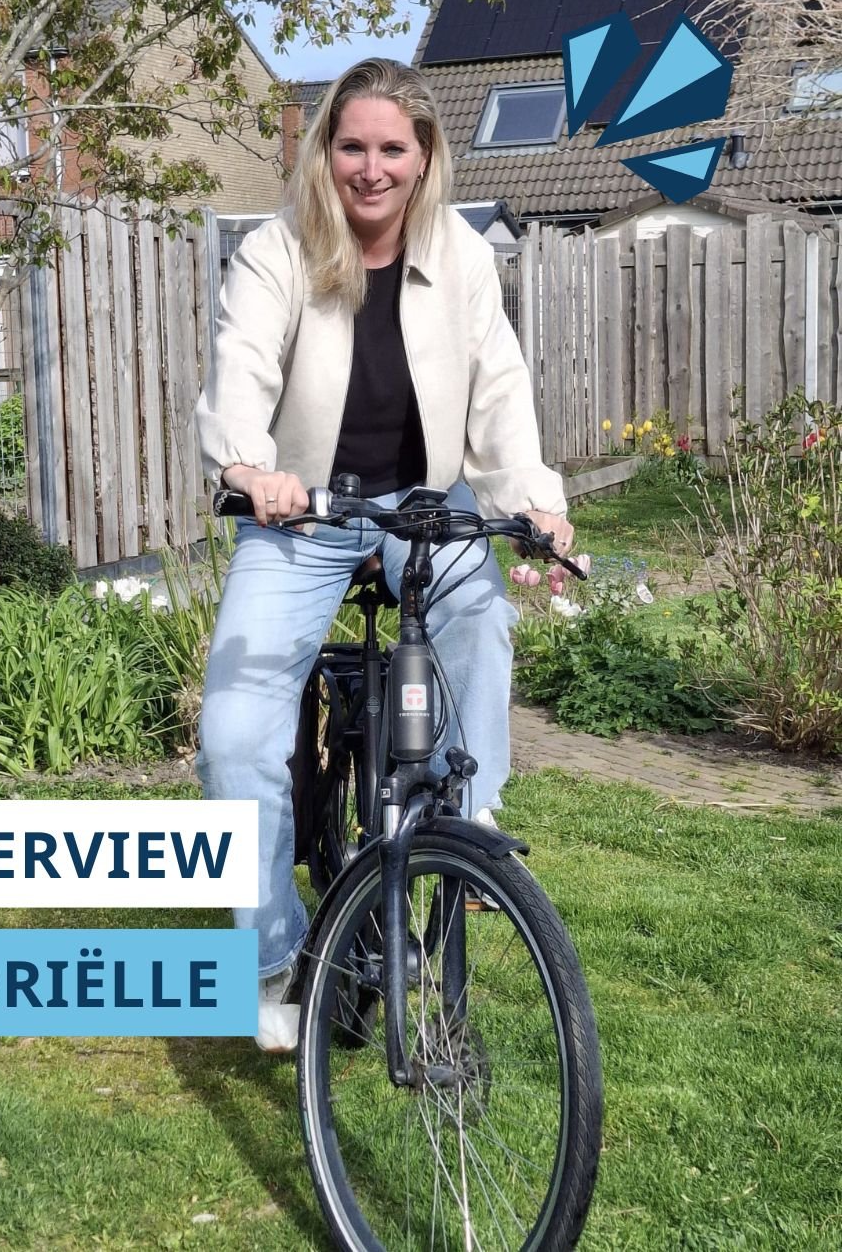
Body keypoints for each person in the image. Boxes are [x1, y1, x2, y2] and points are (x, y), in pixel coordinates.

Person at [194, 58, 573, 1053]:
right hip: (303, 513)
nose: (369, 169)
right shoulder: (277, 251)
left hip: (425, 498)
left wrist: (532, 500)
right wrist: (249, 464)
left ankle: (470, 819)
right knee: (235, 730)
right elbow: (241, 366)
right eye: (351, 146)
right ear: (327, 151)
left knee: (478, 614)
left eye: (390, 149)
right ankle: (272, 956)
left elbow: (498, 389)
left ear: (424, 156)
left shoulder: (463, 256)